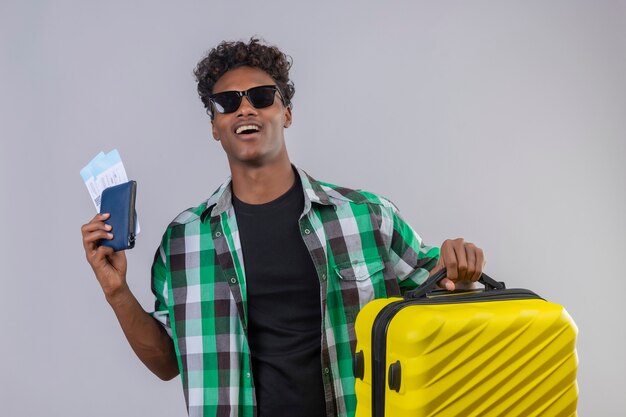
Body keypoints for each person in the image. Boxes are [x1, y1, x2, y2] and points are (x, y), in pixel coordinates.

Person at [81, 38, 485, 417]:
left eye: (261, 97)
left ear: (286, 113)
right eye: (227, 102)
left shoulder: (367, 216)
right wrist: (116, 292)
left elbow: (441, 291)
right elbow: (168, 363)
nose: (245, 109)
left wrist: (461, 271)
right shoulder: (184, 241)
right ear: (214, 126)